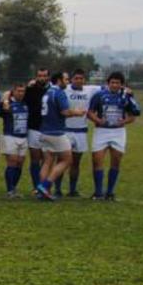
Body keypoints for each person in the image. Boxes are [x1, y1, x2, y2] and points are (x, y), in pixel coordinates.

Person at [87, 72, 140, 201]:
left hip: (118, 132)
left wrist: (124, 121)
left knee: (116, 162)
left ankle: (110, 192)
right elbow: (89, 112)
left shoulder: (126, 97)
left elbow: (134, 116)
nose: (115, 85)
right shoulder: (99, 95)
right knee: (97, 161)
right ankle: (98, 192)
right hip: (101, 131)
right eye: (112, 82)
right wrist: (98, 120)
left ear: (122, 84)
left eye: (117, 83)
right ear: (108, 83)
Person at [35, 72, 87, 200]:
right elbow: (65, 112)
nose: (68, 82)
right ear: (59, 80)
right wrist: (77, 112)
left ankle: (42, 190)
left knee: (47, 161)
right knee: (67, 160)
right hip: (56, 132)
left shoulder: (47, 92)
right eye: (66, 79)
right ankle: (46, 185)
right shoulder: (59, 93)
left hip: (44, 131)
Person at [57, 69, 101, 197]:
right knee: (61, 161)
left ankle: (72, 190)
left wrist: (126, 90)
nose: (79, 80)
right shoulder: (64, 89)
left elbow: (107, 86)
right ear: (71, 79)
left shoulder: (90, 90)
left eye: (81, 78)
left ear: (84, 80)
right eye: (76, 78)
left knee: (76, 162)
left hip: (81, 131)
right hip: (65, 131)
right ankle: (58, 189)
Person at [0, 83, 29, 198]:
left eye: (23, 91)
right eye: (18, 91)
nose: (21, 93)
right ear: (13, 92)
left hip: (23, 136)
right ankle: (10, 190)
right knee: (12, 162)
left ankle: (14, 188)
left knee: (20, 163)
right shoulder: (8, 104)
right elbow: (0, 110)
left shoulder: (26, 103)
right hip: (10, 136)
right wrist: (5, 101)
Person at [24, 68, 50, 189]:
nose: (42, 78)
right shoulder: (29, 90)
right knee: (35, 159)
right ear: (36, 77)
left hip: (48, 129)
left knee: (47, 159)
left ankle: (45, 185)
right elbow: (14, 93)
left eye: (44, 76)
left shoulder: (52, 90)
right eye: (39, 75)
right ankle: (36, 186)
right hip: (33, 128)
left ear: (48, 77)